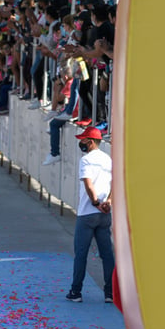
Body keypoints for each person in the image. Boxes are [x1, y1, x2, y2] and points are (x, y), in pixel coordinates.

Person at [66, 126, 114, 303]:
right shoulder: (108, 159)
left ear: (91, 142)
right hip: (104, 214)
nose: (81, 143)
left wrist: (95, 202)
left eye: (84, 140)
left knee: (81, 253)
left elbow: (88, 184)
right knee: (107, 254)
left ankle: (76, 291)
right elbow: (114, 183)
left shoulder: (86, 160)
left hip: (88, 212)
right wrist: (108, 202)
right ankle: (110, 292)